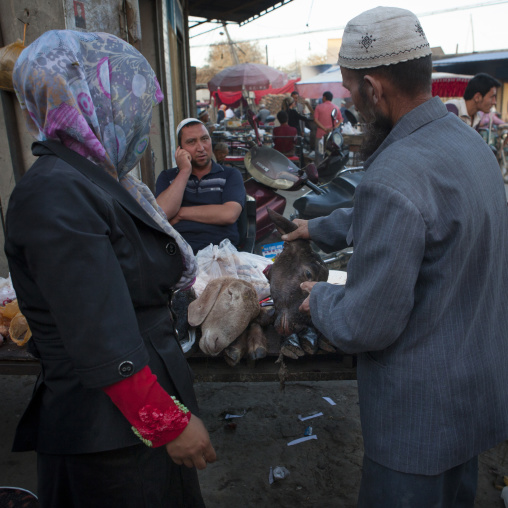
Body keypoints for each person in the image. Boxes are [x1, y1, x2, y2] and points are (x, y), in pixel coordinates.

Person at [282, 7, 508, 507]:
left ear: (373, 89)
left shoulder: (396, 173)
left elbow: (367, 323)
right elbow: (417, 217)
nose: (353, 104)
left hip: (418, 423)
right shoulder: (468, 145)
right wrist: (317, 226)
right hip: (469, 403)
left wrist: (319, 299)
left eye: (350, 91)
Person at [5, 30, 216, 508]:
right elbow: (97, 333)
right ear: (90, 101)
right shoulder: (55, 192)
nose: (135, 115)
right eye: (126, 99)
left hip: (134, 423)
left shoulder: (94, 179)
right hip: (109, 438)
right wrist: (168, 422)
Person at [155, 118, 245, 254]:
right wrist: (185, 171)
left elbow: (229, 214)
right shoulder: (168, 177)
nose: (201, 148)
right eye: (191, 142)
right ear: (180, 149)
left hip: (221, 254)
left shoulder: (230, 175)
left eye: (204, 139)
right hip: (177, 255)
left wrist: (180, 214)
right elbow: (162, 213)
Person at [313, 90, 342, 163]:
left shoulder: (318, 107)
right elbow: (341, 120)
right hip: (331, 136)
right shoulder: (336, 107)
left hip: (320, 135)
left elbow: (315, 120)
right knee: (330, 153)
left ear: (324, 97)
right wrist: (333, 127)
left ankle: (319, 171)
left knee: (319, 153)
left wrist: (324, 128)